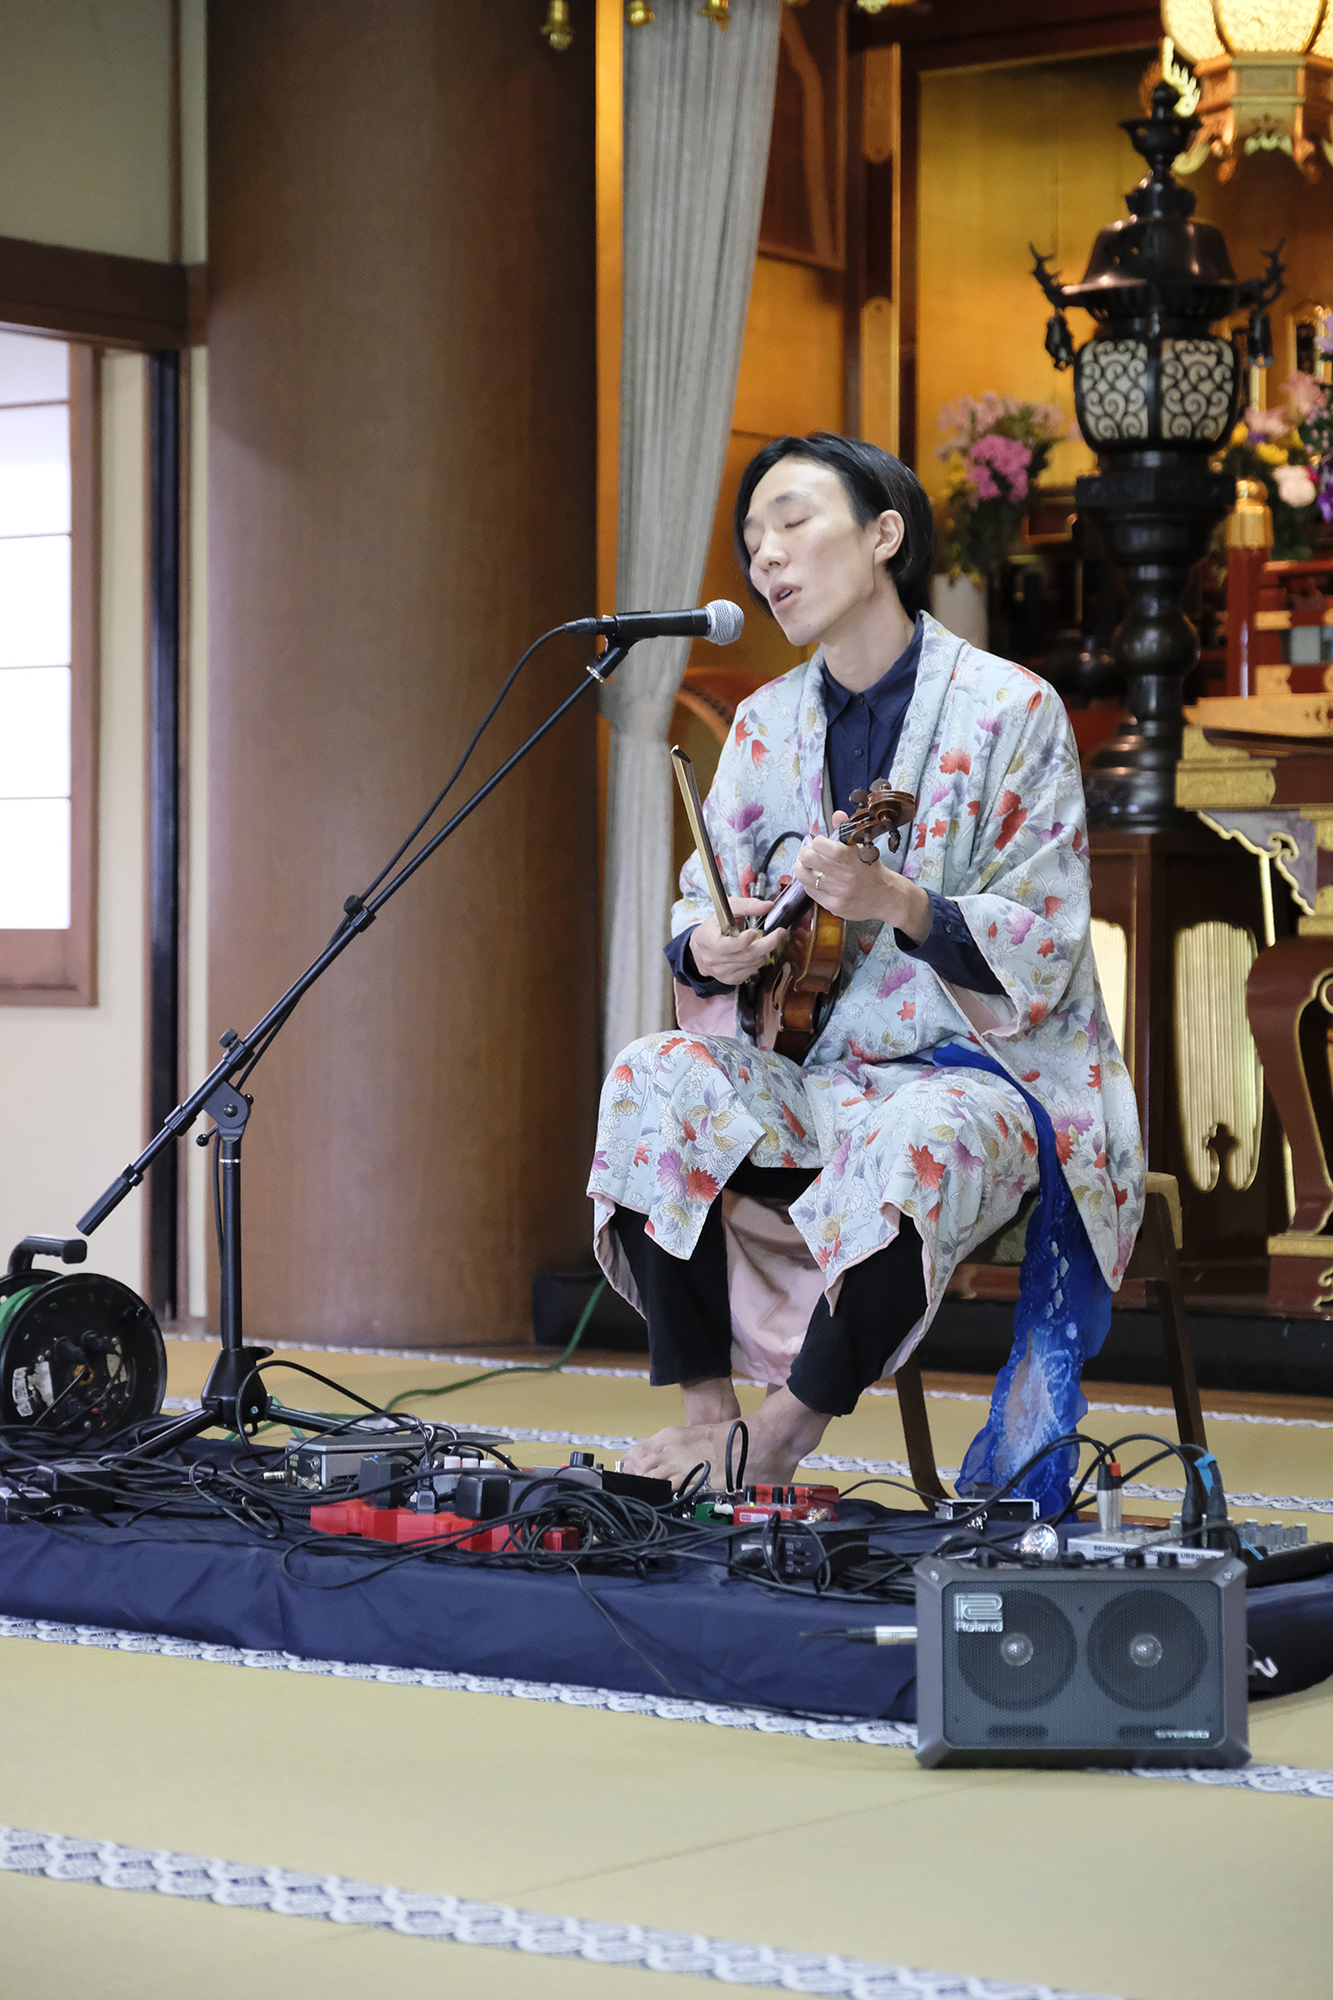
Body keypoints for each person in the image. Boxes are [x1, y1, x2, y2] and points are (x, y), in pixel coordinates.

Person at [588, 432, 1143, 1505]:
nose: (766, 556)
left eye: (792, 522)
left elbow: (1047, 933)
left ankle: (781, 1436)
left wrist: (898, 902)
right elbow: (703, 896)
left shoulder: (1010, 707)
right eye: (752, 539)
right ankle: (708, 1422)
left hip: (982, 1076)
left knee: (918, 1131)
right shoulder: (762, 724)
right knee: (649, 1076)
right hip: (818, 1078)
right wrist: (710, 944)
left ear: (884, 535)